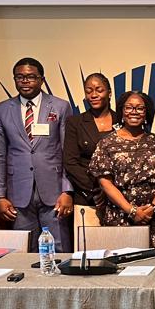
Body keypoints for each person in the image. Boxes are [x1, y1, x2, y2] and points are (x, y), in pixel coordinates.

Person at [0, 57, 74, 251]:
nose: (25, 81)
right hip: (17, 193)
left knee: (58, 248)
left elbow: (67, 152)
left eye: (30, 77)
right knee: (23, 250)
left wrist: (67, 190)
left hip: (54, 191)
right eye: (19, 77)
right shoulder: (2, 110)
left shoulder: (60, 106)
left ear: (42, 79)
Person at [88, 90, 155, 252]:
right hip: (120, 216)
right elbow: (105, 183)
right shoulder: (106, 143)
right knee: (121, 265)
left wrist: (152, 208)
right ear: (122, 111)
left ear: (146, 113)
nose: (134, 112)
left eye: (140, 108)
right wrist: (132, 211)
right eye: (129, 107)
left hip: (152, 216)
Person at [64, 71, 116, 216]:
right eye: (89, 91)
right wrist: (99, 188)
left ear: (109, 93)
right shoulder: (75, 122)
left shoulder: (123, 120)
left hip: (122, 196)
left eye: (99, 90)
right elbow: (70, 162)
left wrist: (114, 189)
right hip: (88, 195)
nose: (93, 95)